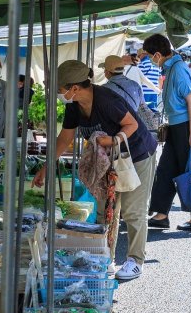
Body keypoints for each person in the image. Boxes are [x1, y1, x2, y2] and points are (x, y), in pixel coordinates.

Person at [32, 60, 157, 280]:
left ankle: (135, 261)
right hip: (109, 160)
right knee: (105, 210)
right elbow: (64, 138)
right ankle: (104, 257)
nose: (59, 93)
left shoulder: (107, 100)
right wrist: (46, 166)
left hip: (136, 155)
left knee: (132, 211)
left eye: (60, 89)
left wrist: (113, 139)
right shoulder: (73, 106)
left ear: (74, 88)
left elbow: (132, 125)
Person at [144, 34, 191, 232]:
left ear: (157, 54)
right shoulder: (171, 67)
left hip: (188, 125)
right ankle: (161, 214)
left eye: (149, 56)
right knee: (166, 169)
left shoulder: (178, 69)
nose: (149, 60)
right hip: (177, 126)